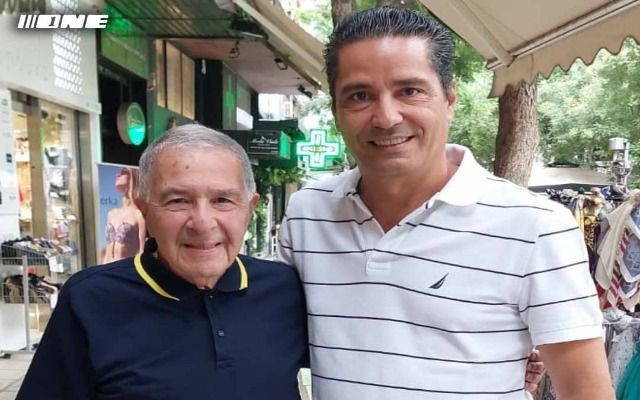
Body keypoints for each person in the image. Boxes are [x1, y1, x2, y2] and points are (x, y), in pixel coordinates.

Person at [278, 6, 613, 400]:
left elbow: (585, 390)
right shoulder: (308, 214)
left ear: (449, 99)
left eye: (409, 91)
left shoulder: (537, 226)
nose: (386, 117)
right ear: (336, 111)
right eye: (360, 96)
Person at [17, 125, 308, 399]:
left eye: (222, 200)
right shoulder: (90, 300)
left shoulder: (284, 290)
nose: (202, 223)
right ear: (145, 210)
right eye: (178, 201)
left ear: (249, 208)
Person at [102, 167, 146, 263]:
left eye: (122, 172)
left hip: (125, 267)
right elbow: (107, 247)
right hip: (106, 266)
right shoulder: (111, 214)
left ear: (132, 178)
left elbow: (142, 251)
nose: (117, 175)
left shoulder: (138, 215)